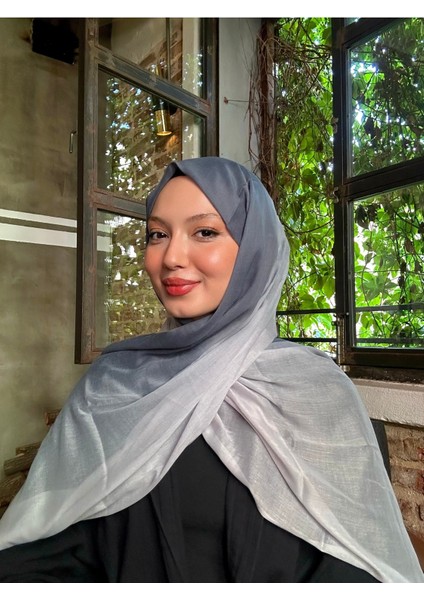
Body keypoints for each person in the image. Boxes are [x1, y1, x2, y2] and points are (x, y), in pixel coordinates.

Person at [0, 157, 422, 583]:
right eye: (157, 234)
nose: (171, 257)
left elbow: (356, 561)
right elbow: (64, 542)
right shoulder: (112, 384)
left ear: (254, 248)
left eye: (204, 232)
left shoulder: (318, 392)